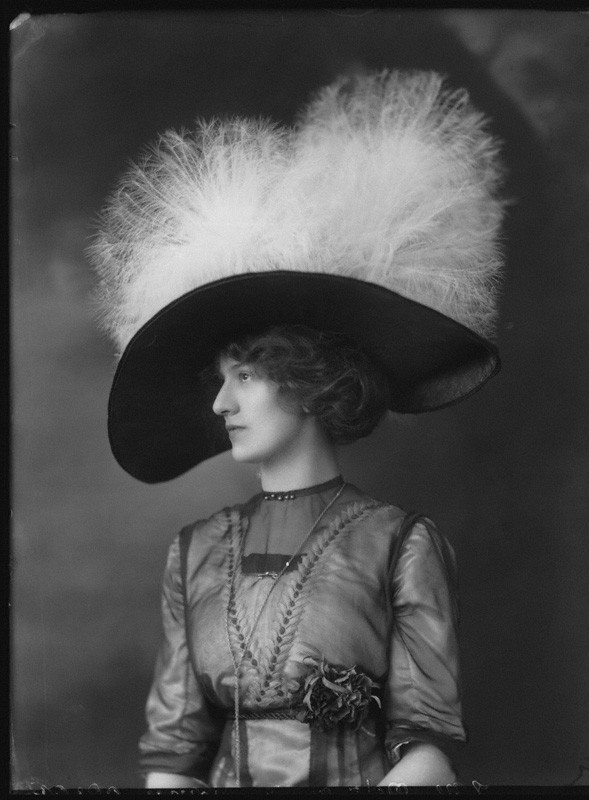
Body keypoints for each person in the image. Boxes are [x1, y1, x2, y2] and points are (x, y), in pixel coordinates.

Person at [89, 70, 505, 787]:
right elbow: (174, 755)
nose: (221, 404)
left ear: (310, 380)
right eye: (218, 379)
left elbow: (427, 747)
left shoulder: (401, 544)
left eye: (245, 374)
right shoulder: (194, 554)